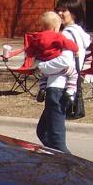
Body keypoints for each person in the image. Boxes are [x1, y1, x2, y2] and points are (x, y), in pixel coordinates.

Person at [35, 9, 80, 154]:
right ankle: (55, 158)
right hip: (51, 89)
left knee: (56, 137)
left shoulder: (62, 40)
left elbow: (65, 62)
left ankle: (68, 163)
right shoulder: (48, 41)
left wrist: (41, 66)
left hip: (58, 91)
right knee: (42, 131)